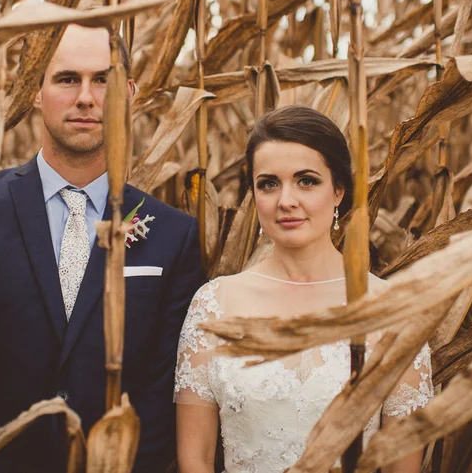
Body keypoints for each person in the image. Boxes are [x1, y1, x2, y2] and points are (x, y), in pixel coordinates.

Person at [0, 24, 205, 473]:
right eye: (66, 79)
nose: (86, 97)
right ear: (35, 91)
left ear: (130, 93)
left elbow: (167, 388)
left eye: (103, 80)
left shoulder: (173, 235)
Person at [174, 105, 434, 473]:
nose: (286, 201)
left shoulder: (392, 311)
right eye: (268, 184)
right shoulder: (215, 304)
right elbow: (195, 459)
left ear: (339, 190)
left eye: (307, 181)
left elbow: (402, 464)